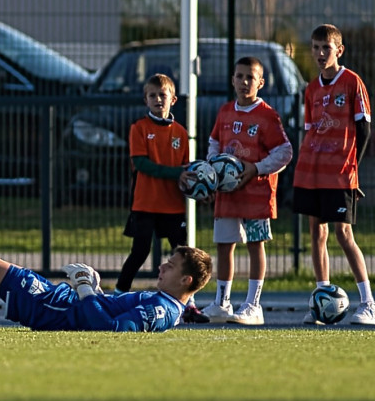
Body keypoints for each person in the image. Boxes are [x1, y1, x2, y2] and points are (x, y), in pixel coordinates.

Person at [0, 246, 212, 333]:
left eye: (170, 266)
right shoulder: (166, 304)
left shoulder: (161, 309)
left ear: (186, 281)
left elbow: (109, 329)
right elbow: (110, 313)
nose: (161, 267)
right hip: (62, 303)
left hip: (57, 310)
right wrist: (94, 289)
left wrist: (85, 290)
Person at [201, 57, 293, 326]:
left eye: (250, 77)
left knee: (255, 245)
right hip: (227, 193)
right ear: (232, 80)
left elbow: (285, 151)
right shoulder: (225, 112)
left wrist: (257, 168)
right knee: (224, 245)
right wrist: (212, 170)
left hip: (256, 194)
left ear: (260, 83)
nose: (244, 82)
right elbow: (214, 142)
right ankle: (222, 303)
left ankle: (253, 305)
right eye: (239, 76)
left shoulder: (267, 116)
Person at [293, 24, 375, 325]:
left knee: (343, 233)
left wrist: (353, 167)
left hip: (340, 173)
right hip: (312, 173)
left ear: (339, 50)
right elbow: (310, 132)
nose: (320, 53)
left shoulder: (352, 82)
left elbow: (364, 128)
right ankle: (321, 300)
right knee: (317, 233)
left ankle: (368, 303)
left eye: (326, 48)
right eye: (315, 48)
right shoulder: (311, 89)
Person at [115, 74, 207, 322]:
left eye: (162, 95)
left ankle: (189, 305)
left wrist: (201, 189)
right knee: (140, 251)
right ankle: (117, 297)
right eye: (152, 95)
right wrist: (176, 173)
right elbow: (142, 164)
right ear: (145, 99)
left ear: (173, 99)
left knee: (184, 255)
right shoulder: (139, 128)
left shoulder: (181, 133)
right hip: (145, 203)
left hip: (173, 205)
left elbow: (187, 171)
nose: (158, 99)